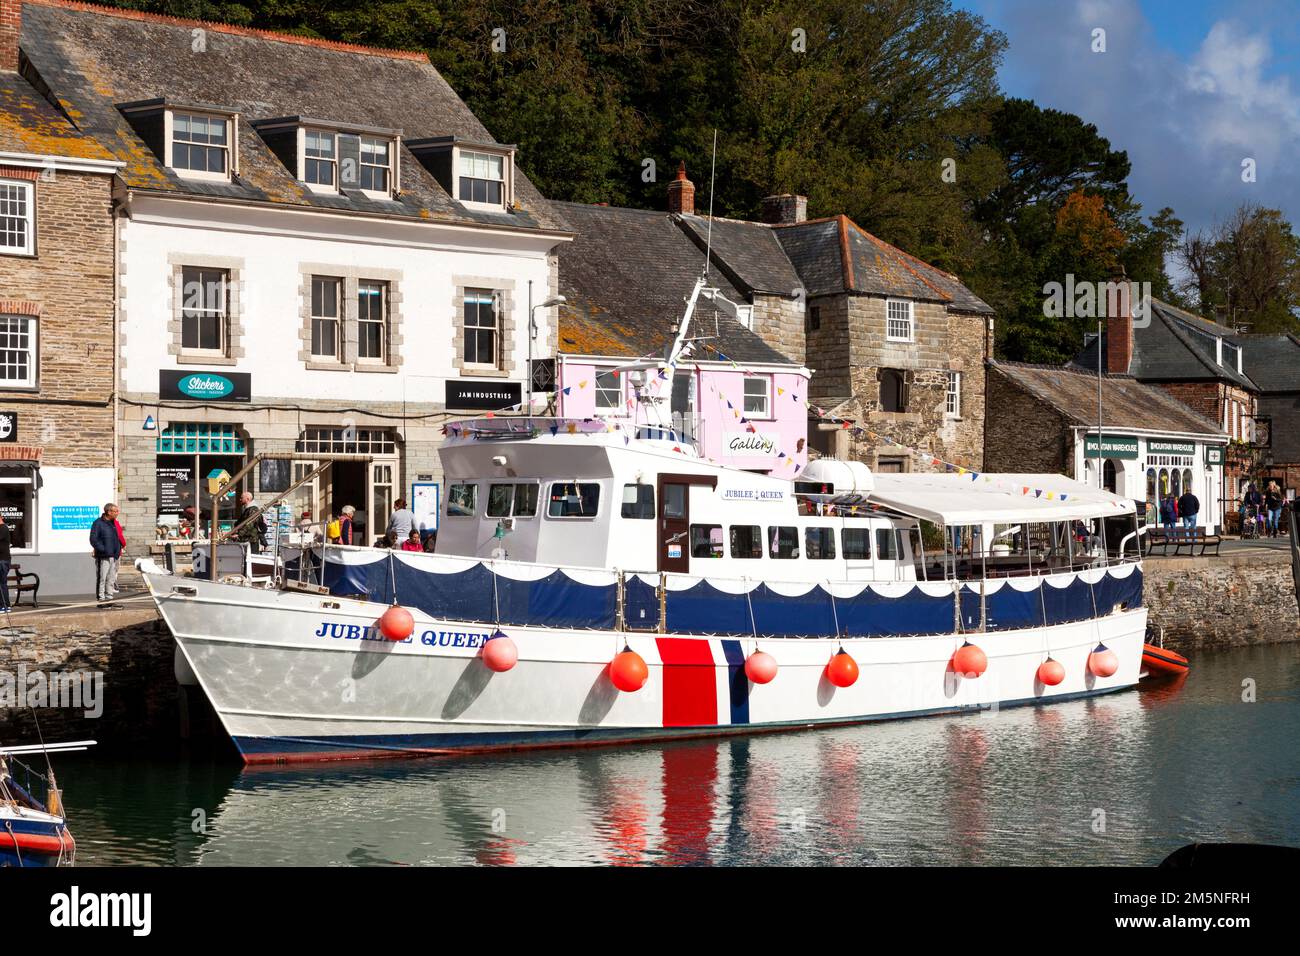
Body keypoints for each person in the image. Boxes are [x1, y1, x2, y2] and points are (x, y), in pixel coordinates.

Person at [90, 503, 123, 607]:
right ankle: (101, 600)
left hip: (114, 556)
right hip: (103, 556)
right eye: (115, 511)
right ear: (109, 512)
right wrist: (103, 550)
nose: (118, 513)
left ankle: (109, 598)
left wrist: (117, 551)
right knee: (102, 578)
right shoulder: (98, 523)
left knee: (111, 578)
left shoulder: (113, 523)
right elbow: (93, 539)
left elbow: (117, 538)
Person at [0, 512, 11, 612]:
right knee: (2, 583)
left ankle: (5, 606)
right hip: (3, 560)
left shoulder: (3, 528)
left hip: (3, 560)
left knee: (2, 583)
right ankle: (4, 605)